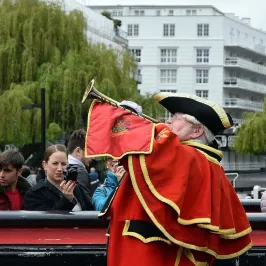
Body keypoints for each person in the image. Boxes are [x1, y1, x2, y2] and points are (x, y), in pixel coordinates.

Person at [87, 93, 252, 266]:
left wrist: (125, 117)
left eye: (176, 118)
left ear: (197, 130)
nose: (168, 122)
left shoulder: (188, 156)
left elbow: (138, 147)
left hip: (153, 254)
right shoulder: (203, 160)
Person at [24, 144, 94, 211]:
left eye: (63, 164)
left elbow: (91, 211)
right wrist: (66, 199)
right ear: (45, 165)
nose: (60, 169)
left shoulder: (76, 187)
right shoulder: (34, 194)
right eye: (55, 163)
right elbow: (47, 221)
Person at [67, 129, 93, 198]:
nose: (93, 157)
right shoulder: (81, 172)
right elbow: (86, 204)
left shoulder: (63, 169)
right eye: (90, 151)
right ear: (78, 151)